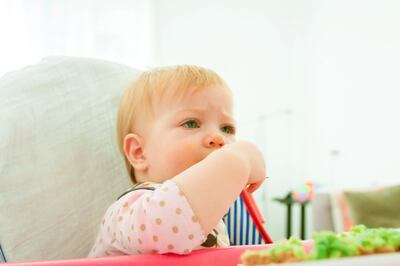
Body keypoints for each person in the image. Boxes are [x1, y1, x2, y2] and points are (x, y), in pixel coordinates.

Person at [88, 65, 266, 257]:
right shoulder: (128, 211)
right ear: (139, 152)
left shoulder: (214, 215)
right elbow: (171, 221)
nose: (218, 137)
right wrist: (235, 161)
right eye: (191, 123)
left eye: (227, 129)